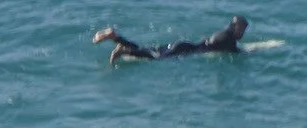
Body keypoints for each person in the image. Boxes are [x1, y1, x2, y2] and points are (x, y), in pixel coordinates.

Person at [94, 15, 247, 62]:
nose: (243, 33)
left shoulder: (223, 34)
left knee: (149, 50)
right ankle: (123, 51)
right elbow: (236, 52)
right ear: (237, 27)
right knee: (156, 58)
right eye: (243, 29)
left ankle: (116, 37)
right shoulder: (228, 38)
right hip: (185, 49)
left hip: (182, 45)